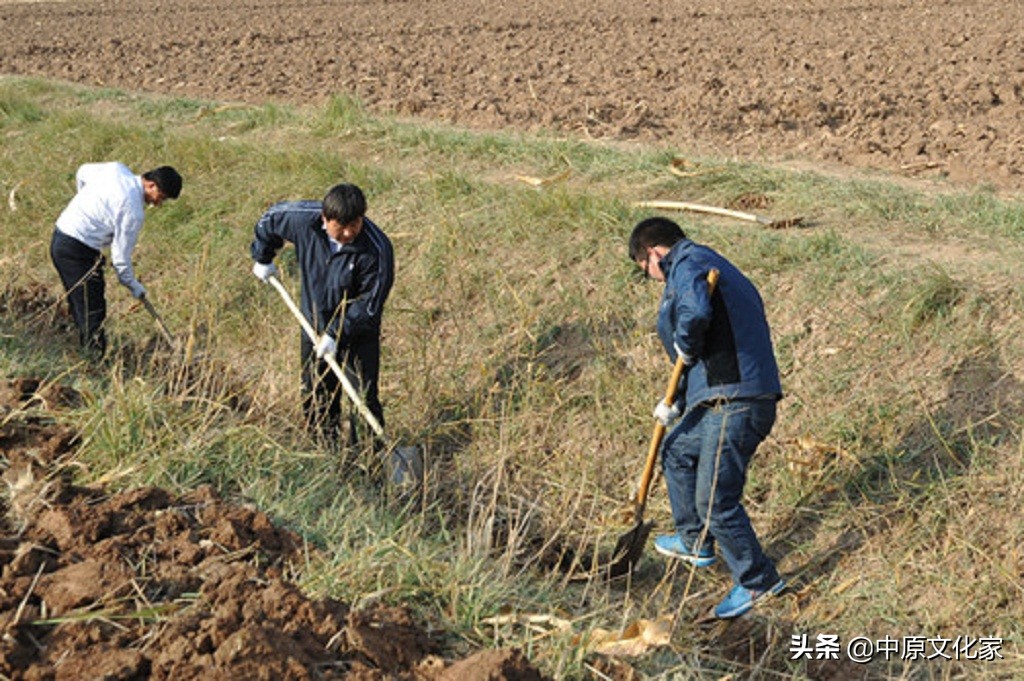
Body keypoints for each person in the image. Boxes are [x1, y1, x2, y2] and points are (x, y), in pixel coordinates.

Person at [628, 216, 784, 619]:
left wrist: (684, 337)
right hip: (717, 398)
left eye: (646, 271)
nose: (654, 280)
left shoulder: (687, 261)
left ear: (652, 254)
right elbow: (699, 345)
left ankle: (757, 581)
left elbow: (695, 312)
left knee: (715, 498)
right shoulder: (699, 261)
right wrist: (677, 400)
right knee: (678, 449)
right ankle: (695, 541)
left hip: (736, 400)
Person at [250, 183, 394, 451]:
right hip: (314, 327)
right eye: (342, 226)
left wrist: (337, 332)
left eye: (356, 223)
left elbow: (370, 304)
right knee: (316, 391)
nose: (350, 232)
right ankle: (326, 451)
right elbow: (269, 220)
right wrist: (263, 256)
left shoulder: (378, 250)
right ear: (325, 219)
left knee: (362, 397)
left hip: (357, 334)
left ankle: (370, 461)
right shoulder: (303, 220)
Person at [50, 162, 183, 359]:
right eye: (160, 197)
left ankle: (83, 351)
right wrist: (133, 285)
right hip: (77, 251)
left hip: (60, 236)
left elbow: (82, 172)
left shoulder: (116, 170)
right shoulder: (132, 210)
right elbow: (120, 258)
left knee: (80, 302)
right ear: (152, 185)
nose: (158, 203)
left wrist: (87, 206)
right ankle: (93, 363)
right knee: (92, 311)